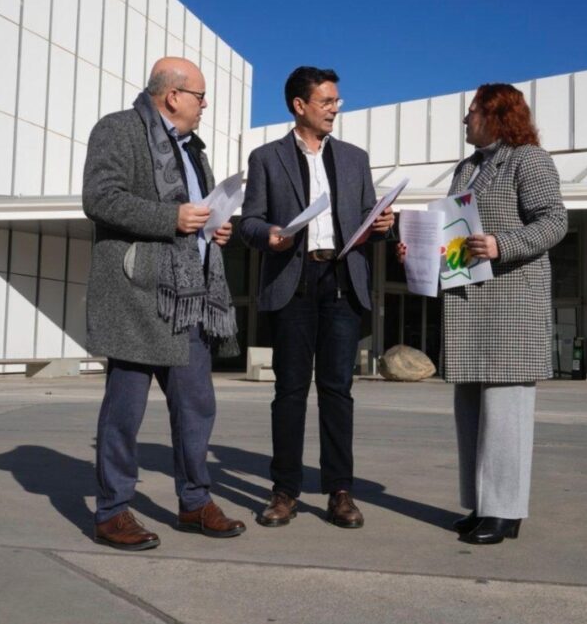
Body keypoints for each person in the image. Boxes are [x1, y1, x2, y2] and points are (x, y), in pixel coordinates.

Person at [83, 56, 246, 550]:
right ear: (173, 95)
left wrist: (215, 226)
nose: (204, 105)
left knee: (197, 406)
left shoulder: (193, 149)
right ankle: (113, 511)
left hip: (187, 300)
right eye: (199, 95)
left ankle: (195, 503)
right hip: (137, 297)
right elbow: (101, 198)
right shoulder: (118, 130)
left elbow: (195, 215)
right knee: (124, 412)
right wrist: (171, 217)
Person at [398, 83, 567, 544]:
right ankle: (482, 504)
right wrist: (419, 250)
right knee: (471, 411)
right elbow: (455, 230)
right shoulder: (468, 168)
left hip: (510, 303)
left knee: (506, 411)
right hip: (468, 304)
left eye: (471, 111)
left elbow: (554, 220)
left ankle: (505, 510)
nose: (465, 119)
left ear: (496, 114)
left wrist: (501, 244)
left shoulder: (529, 159)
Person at [239, 66, 394, 529]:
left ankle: (339, 492)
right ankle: (284, 491)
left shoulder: (354, 158)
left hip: (342, 280)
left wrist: (382, 225)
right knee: (289, 391)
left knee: (337, 392)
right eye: (326, 101)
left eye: (336, 101)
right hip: (294, 280)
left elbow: (366, 215)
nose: (335, 109)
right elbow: (249, 221)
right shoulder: (266, 157)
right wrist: (267, 233)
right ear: (299, 105)